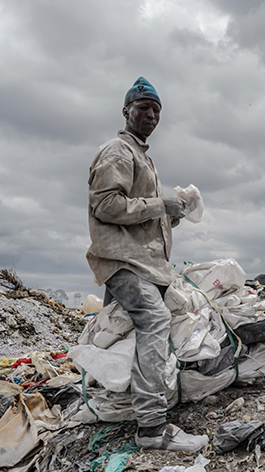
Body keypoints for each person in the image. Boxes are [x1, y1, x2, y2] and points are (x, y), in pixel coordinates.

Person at [86, 77, 208, 452]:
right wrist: (160, 206)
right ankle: (153, 428)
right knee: (153, 321)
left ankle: (108, 405)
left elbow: (137, 218)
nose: (151, 115)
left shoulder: (143, 158)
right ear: (126, 110)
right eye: (144, 107)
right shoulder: (119, 152)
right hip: (124, 263)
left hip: (143, 262)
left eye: (156, 110)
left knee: (114, 332)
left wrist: (174, 213)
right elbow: (105, 206)